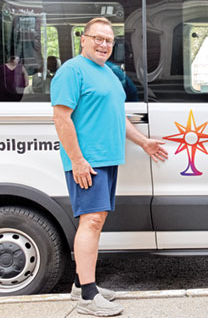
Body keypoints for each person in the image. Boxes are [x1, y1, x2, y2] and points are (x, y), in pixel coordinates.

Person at [51, 17, 168, 317]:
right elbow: (61, 118)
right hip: (87, 161)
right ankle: (88, 297)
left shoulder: (108, 74)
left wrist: (143, 142)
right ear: (83, 39)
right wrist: (77, 160)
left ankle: (81, 284)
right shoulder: (71, 71)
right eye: (97, 38)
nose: (103, 44)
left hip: (107, 158)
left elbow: (119, 117)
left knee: (96, 220)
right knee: (91, 221)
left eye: (108, 40)